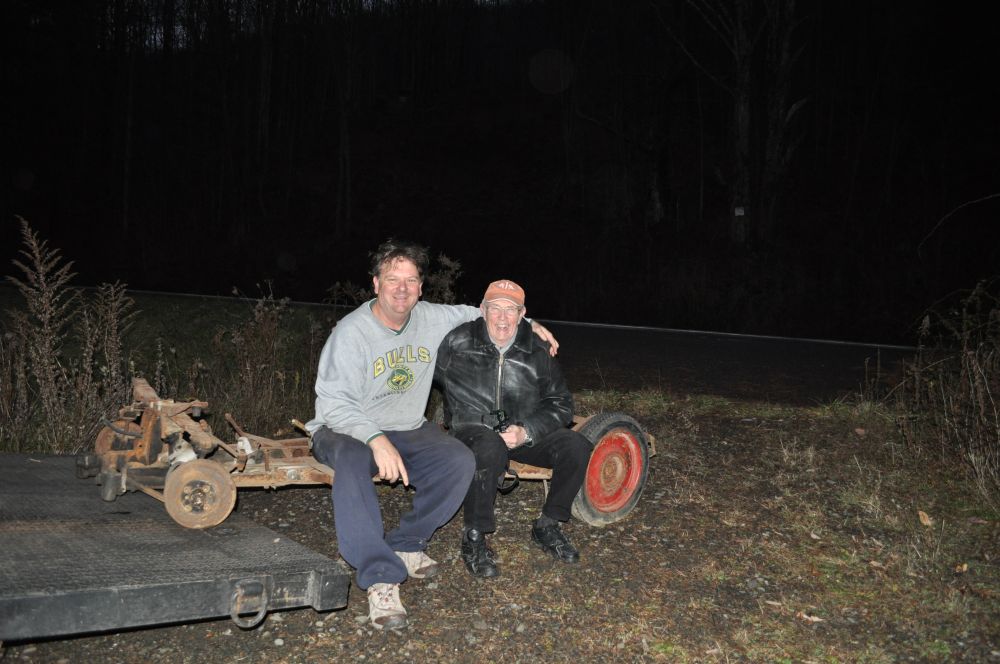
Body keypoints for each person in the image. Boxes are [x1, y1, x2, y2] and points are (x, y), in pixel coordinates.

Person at [305, 241, 559, 630]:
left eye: (411, 280)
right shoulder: (352, 332)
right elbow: (335, 403)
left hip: (406, 426)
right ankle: (380, 577)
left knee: (458, 460)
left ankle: (407, 544)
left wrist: (531, 323)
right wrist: (375, 439)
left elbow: (485, 312)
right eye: (393, 279)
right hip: (343, 428)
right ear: (376, 284)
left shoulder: (432, 317)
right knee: (353, 461)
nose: (402, 289)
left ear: (421, 288)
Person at [434, 279, 591, 579]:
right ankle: (474, 536)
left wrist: (526, 431)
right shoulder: (457, 342)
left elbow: (561, 404)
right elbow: (422, 375)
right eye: (496, 309)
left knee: (576, 446)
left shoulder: (538, 349)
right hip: (473, 432)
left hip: (520, 432)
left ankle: (548, 524)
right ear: (482, 310)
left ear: (522, 314)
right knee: (488, 445)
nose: (503, 318)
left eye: (511, 310)